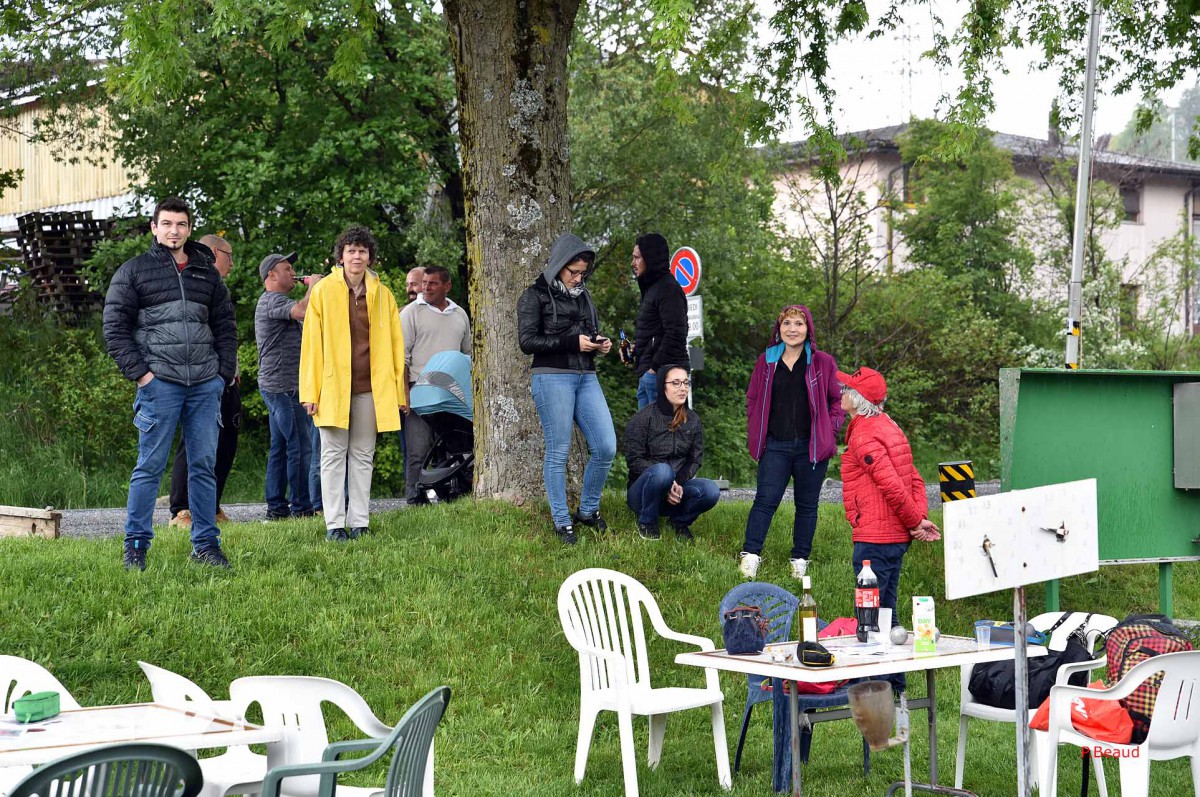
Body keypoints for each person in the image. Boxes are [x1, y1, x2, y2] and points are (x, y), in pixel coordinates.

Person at [103, 197, 237, 570]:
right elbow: (114, 328)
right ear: (154, 227)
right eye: (166, 224)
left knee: (203, 467)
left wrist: (222, 375)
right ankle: (136, 547)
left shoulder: (207, 274)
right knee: (149, 467)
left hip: (205, 385)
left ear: (189, 229)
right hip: (159, 383)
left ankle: (206, 546)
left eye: (180, 224)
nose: (173, 231)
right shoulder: (134, 271)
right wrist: (143, 376)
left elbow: (225, 326)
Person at [837, 365, 940, 691]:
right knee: (886, 612)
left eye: (847, 389)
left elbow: (893, 485)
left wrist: (915, 522)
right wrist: (917, 519)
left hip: (875, 538)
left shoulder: (864, 435)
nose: (841, 393)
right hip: (893, 537)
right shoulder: (890, 426)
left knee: (871, 618)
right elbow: (914, 478)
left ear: (858, 399)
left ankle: (871, 689)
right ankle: (895, 687)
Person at [300, 226, 406, 541]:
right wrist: (310, 391)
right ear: (341, 256)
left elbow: (396, 346)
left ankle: (360, 521)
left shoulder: (383, 294)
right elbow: (311, 345)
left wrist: (398, 391)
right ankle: (334, 524)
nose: (356, 256)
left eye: (362, 251)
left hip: (370, 388)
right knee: (332, 456)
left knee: (362, 455)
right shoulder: (323, 291)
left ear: (370, 256)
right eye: (351, 251)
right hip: (332, 388)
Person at [517, 233, 617, 545]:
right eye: (573, 272)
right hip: (552, 376)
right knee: (558, 450)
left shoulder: (584, 295)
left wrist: (599, 343)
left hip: (586, 375)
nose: (577, 278)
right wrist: (572, 342)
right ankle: (562, 521)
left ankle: (587, 510)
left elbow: (587, 332)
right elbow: (527, 342)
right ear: (558, 265)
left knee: (606, 446)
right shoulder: (534, 295)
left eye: (582, 273)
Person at [737, 304, 843, 581]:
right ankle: (750, 555)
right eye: (787, 324)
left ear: (808, 329)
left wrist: (830, 429)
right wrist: (754, 425)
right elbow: (752, 398)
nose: (792, 329)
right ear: (779, 328)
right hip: (775, 445)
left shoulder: (822, 362)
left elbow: (837, 400)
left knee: (807, 505)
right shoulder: (766, 361)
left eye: (798, 324)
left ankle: (800, 560)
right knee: (765, 500)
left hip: (812, 447)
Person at [167, 234, 240, 530]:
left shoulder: (218, 287)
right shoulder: (193, 283)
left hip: (225, 377)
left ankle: (210, 505)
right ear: (213, 252)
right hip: (201, 377)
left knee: (225, 443)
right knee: (194, 443)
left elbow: (225, 332)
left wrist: (232, 369)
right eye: (228, 255)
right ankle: (181, 509)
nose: (232, 263)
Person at [256, 251, 322, 520]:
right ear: (271, 275)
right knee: (300, 447)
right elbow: (303, 311)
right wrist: (314, 287)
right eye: (287, 269)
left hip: (278, 386)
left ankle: (276, 507)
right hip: (283, 388)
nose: (293, 273)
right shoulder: (272, 300)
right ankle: (302, 508)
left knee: (281, 447)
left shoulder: (275, 301)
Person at [623, 365, 720, 541]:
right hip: (643, 493)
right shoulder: (643, 418)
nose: (683, 388)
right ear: (663, 386)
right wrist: (667, 482)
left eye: (685, 383)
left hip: (677, 492)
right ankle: (647, 522)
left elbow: (695, 459)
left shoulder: (693, 420)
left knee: (710, 490)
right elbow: (634, 460)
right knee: (663, 471)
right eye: (676, 383)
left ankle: (678, 522)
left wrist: (679, 483)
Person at [400, 265, 471, 504]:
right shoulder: (411, 313)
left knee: (452, 447)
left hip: (452, 391)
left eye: (432, 283)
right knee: (418, 448)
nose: (426, 288)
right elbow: (401, 357)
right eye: (424, 283)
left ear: (447, 286)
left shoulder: (459, 314)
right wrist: (404, 393)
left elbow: (467, 354)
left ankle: (451, 496)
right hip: (419, 389)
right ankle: (414, 498)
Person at [631, 233, 688, 409]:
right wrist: (636, 349)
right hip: (649, 375)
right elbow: (654, 332)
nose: (633, 263)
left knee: (665, 427)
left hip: (662, 376)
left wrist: (654, 369)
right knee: (648, 427)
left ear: (650, 258)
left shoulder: (668, 288)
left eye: (637, 257)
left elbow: (676, 333)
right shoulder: (652, 289)